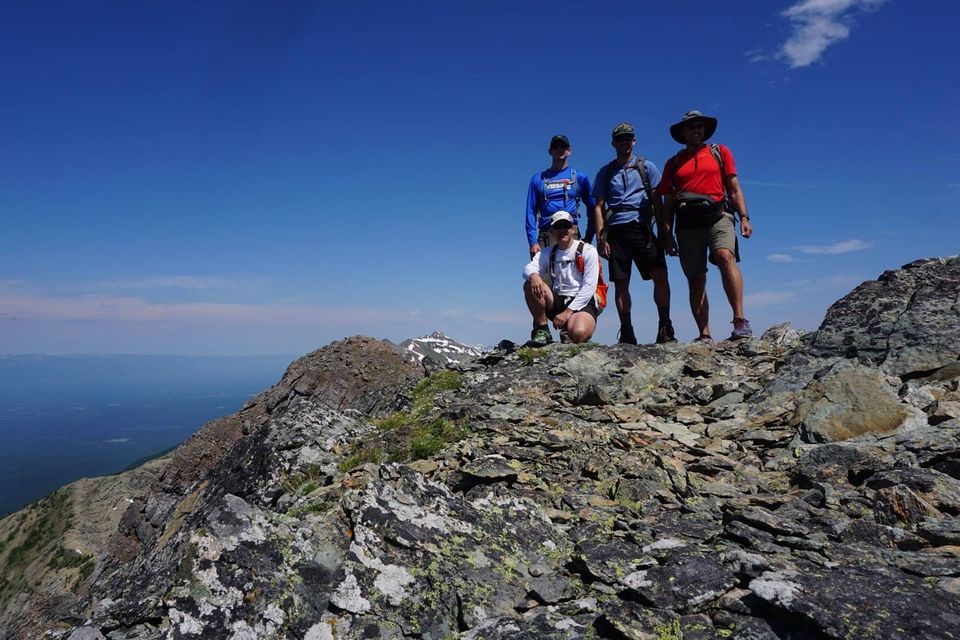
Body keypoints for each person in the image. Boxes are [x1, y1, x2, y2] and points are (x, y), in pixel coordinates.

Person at [657, 110, 753, 343]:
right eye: (691, 127)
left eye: (699, 126)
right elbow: (667, 202)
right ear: (683, 132)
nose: (695, 130)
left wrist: (744, 217)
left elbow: (733, 186)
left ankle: (739, 320)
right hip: (687, 224)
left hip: (718, 216)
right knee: (695, 277)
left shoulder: (720, 152)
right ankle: (705, 333)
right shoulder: (673, 163)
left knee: (724, 256)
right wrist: (666, 234)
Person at [591, 122, 675, 345]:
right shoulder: (606, 172)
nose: (624, 142)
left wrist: (666, 235)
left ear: (634, 141)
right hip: (617, 231)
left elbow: (658, 201)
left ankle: (664, 325)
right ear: (613, 143)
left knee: (660, 275)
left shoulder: (647, 168)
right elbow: (598, 206)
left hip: (642, 228)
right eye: (620, 139)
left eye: (627, 138)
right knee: (621, 283)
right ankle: (626, 330)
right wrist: (601, 239)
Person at [523, 212, 601, 345]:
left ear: (573, 229)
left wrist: (568, 313)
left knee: (579, 334)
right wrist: (534, 275)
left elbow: (589, 287)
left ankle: (571, 328)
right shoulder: (547, 252)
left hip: (582, 302)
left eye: (566, 226)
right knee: (530, 283)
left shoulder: (587, 250)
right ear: (552, 231)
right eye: (558, 227)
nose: (562, 230)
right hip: (558, 300)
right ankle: (542, 328)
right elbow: (528, 268)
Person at [525, 134, 596, 259]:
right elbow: (531, 211)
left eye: (563, 146)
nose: (559, 149)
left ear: (569, 150)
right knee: (542, 277)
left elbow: (593, 207)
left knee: (572, 276)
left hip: (570, 232)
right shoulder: (538, 179)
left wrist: (589, 236)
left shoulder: (580, 177)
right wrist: (533, 242)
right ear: (550, 151)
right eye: (555, 146)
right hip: (547, 233)